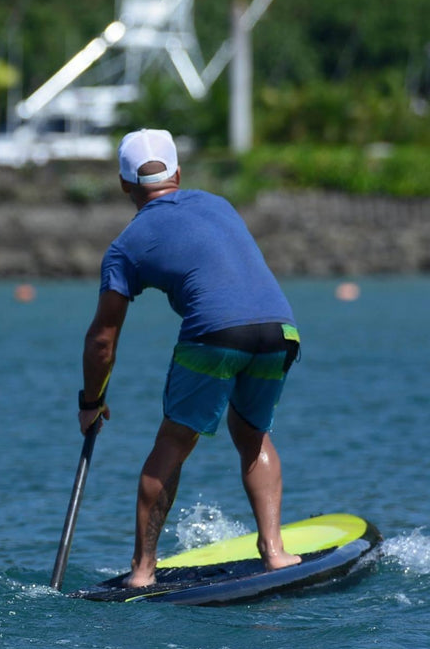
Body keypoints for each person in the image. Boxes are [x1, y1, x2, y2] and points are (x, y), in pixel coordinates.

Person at [77, 128, 303, 588]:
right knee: (253, 434)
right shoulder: (220, 204)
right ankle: (275, 553)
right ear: (178, 174)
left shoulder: (125, 247)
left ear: (123, 184)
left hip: (216, 335)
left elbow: (103, 339)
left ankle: (143, 571)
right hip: (282, 331)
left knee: (174, 442)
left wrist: (91, 402)